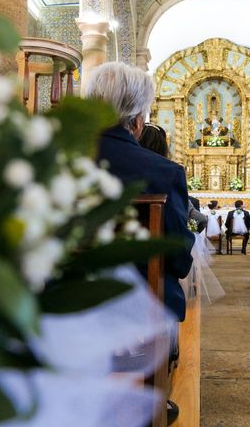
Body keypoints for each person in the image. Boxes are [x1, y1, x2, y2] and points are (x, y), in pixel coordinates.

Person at [90, 63, 194, 323]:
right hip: (142, 307)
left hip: (61, 306)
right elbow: (179, 259)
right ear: (138, 121)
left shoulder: (54, 161)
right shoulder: (164, 172)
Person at [139, 123, 207, 233]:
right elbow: (198, 218)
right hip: (166, 242)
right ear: (163, 146)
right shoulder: (171, 172)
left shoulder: (124, 167)